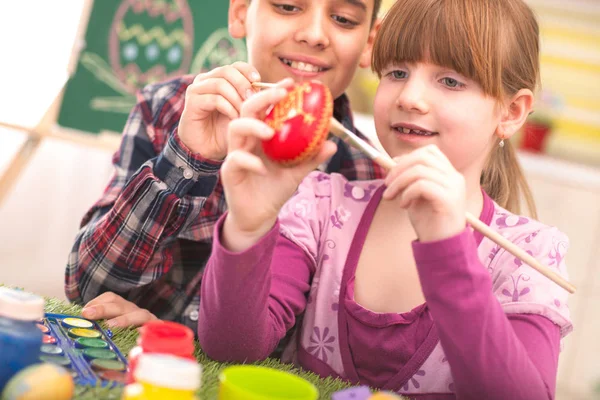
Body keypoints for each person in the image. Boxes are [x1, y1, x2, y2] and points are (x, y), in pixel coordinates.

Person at [197, 0, 573, 397]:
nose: (409, 97)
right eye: (396, 72)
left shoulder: (528, 255)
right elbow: (232, 350)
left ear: (512, 112)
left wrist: (448, 251)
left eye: (450, 81)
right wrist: (248, 226)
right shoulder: (322, 205)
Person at [65, 0, 386, 331]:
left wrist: (185, 338)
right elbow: (86, 286)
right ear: (240, 12)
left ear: (370, 43)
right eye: (288, 6)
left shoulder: (369, 178)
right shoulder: (166, 110)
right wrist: (187, 157)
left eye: (344, 19)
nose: (316, 34)